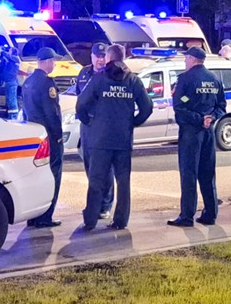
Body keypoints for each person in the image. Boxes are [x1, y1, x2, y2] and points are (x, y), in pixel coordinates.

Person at [74, 43, 152, 231]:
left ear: (108, 58)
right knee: (123, 182)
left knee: (96, 180)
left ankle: (90, 220)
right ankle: (121, 220)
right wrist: (132, 123)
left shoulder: (99, 79)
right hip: (123, 139)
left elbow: (81, 104)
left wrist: (89, 122)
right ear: (123, 58)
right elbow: (147, 107)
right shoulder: (133, 80)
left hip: (100, 139)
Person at [169, 45, 227, 227]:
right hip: (208, 133)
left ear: (192, 59)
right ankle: (211, 213)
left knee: (189, 173)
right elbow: (221, 106)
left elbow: (179, 107)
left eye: (186, 58)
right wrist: (211, 118)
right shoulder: (214, 79)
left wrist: (199, 119)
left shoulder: (184, 79)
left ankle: (187, 216)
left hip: (191, 133)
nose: (185, 62)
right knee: (208, 173)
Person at [20, 48, 65, 227]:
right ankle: (45, 216)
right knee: (53, 174)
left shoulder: (28, 82)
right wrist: (58, 136)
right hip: (49, 137)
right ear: (46, 62)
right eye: (53, 61)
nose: (54, 64)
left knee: (35, 176)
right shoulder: (46, 83)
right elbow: (52, 113)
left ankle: (33, 216)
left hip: (34, 135)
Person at [73, 43, 115, 219]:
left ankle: (105, 205)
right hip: (87, 126)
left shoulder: (112, 74)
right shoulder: (84, 73)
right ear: (91, 57)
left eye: (103, 56)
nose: (100, 60)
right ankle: (94, 203)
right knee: (90, 166)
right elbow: (79, 97)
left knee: (105, 167)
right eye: (97, 56)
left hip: (104, 126)